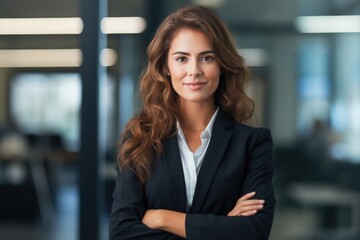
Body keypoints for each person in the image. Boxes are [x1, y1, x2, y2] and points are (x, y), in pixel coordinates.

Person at [109, 5, 275, 240]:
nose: (194, 70)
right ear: (165, 67)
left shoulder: (252, 144)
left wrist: (163, 219)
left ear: (222, 65)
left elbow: (255, 231)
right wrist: (224, 227)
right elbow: (122, 232)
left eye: (206, 58)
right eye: (182, 59)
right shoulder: (140, 139)